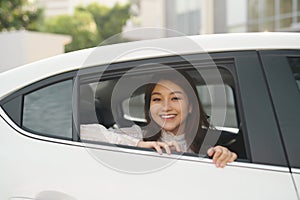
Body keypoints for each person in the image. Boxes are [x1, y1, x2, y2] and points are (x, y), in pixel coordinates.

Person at [80, 71, 238, 168]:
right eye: (157, 100)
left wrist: (224, 156)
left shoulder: (209, 143)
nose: (166, 107)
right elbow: (84, 132)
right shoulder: (139, 135)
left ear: (191, 106)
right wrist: (139, 145)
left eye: (175, 98)